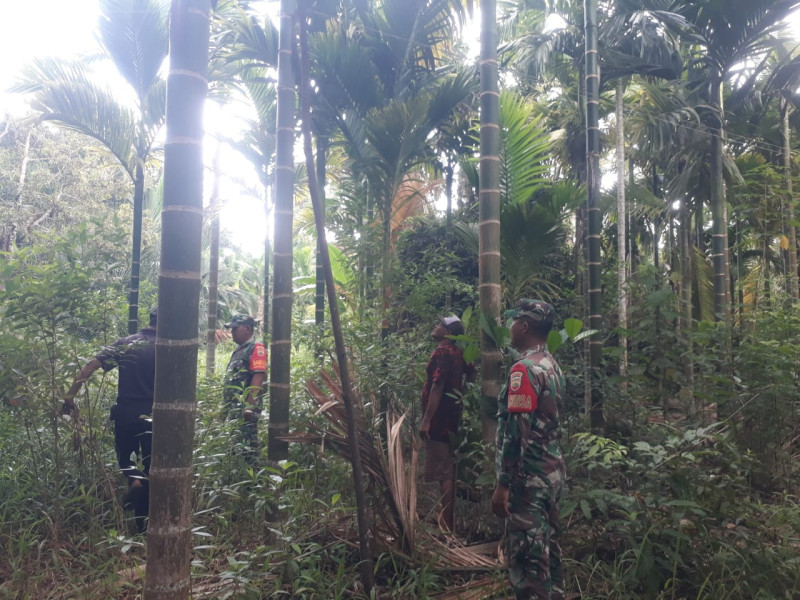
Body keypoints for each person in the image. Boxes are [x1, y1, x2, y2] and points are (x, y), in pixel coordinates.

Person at [492, 299, 566, 600]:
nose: (510, 327)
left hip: (529, 481)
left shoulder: (524, 369)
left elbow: (516, 432)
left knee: (527, 560)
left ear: (524, 327)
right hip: (551, 475)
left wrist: (504, 484)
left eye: (513, 322)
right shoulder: (552, 364)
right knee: (549, 552)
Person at [62, 307, 158, 531]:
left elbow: (91, 366)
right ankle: (142, 525)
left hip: (125, 413)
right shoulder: (168, 347)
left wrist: (69, 398)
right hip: (155, 415)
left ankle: (134, 483)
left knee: (127, 461)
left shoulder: (127, 343)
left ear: (150, 319)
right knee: (151, 467)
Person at [419, 314, 474, 531]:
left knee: (443, 471)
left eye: (440, 325)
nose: (435, 326)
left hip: (439, 419)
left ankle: (446, 524)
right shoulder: (458, 352)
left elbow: (438, 386)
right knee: (446, 467)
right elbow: (472, 373)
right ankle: (446, 520)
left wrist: (427, 420)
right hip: (452, 416)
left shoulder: (443, 352)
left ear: (448, 333)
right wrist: (462, 398)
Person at [223, 313, 267, 461]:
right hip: (234, 408)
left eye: (235, 328)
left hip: (245, 409)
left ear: (247, 329)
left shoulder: (256, 348)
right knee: (236, 446)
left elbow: (258, 376)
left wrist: (249, 405)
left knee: (248, 448)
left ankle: (252, 482)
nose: (232, 332)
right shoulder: (241, 349)